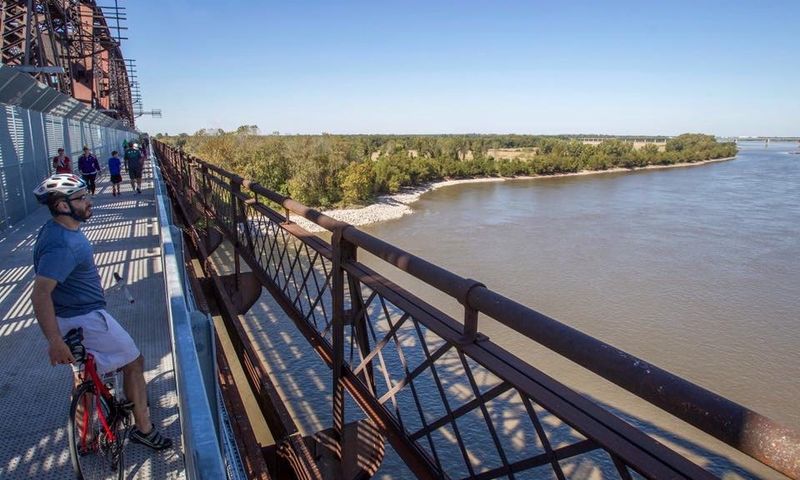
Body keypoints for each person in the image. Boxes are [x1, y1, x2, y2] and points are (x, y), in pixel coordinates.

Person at [30, 174, 172, 451]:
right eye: (81, 198)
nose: (89, 201)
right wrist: (55, 342)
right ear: (61, 205)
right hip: (85, 318)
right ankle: (144, 429)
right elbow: (40, 293)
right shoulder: (64, 244)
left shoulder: (55, 230)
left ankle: (85, 438)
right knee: (134, 361)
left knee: (83, 375)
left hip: (71, 315)